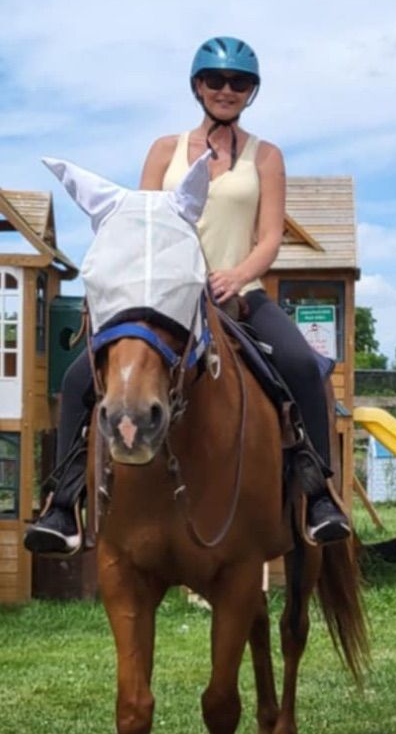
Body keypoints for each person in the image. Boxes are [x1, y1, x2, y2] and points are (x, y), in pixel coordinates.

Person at [24, 35, 350, 554]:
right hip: (166, 299)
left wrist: (237, 273)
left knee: (303, 366)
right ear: (197, 86)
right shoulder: (164, 150)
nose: (226, 90)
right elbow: (143, 227)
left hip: (237, 295)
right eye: (215, 81)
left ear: (251, 92)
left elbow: (269, 238)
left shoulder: (266, 156)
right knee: (79, 376)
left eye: (238, 83)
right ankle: (63, 505)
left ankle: (319, 493)